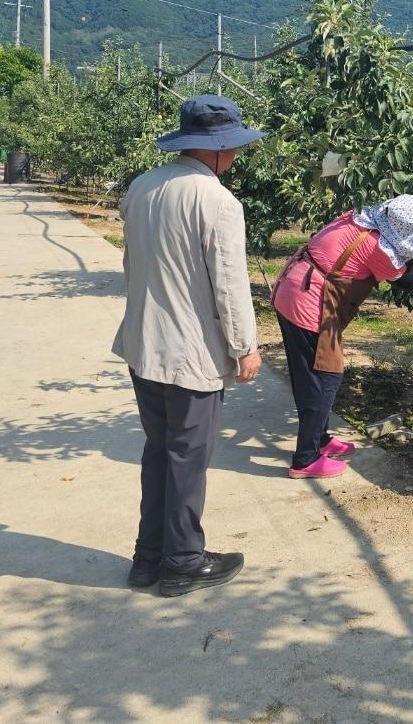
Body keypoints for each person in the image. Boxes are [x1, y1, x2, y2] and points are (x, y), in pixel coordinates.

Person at [112, 95, 265, 597]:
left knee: (160, 451)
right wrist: (244, 346)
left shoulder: (142, 186)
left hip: (143, 341)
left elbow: (132, 264)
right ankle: (182, 562)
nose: (237, 157)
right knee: (188, 457)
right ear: (218, 150)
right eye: (234, 149)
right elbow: (229, 282)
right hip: (189, 352)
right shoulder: (218, 202)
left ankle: (148, 557)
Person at [271, 195, 413, 478]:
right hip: (308, 302)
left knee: (310, 373)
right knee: (325, 376)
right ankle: (305, 459)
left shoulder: (360, 217)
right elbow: (407, 280)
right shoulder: (379, 249)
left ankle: (319, 440)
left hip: (294, 287)